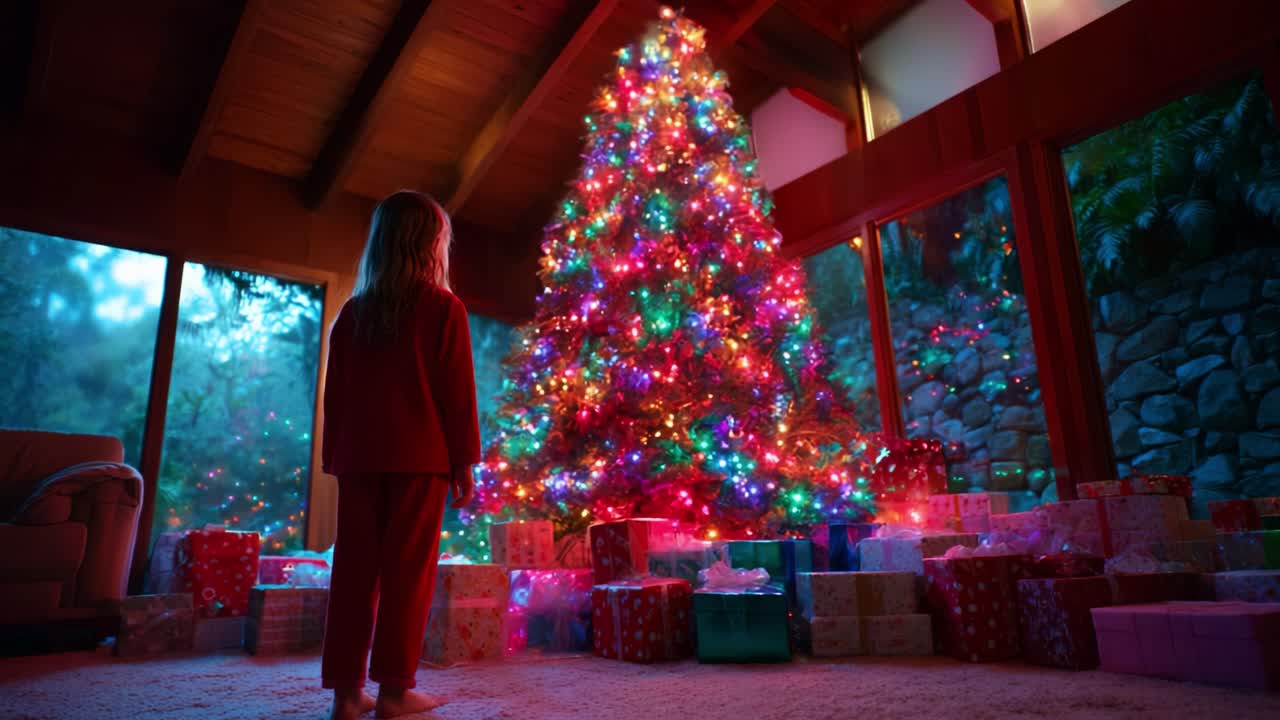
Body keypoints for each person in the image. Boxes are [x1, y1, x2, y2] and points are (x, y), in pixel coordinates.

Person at [319, 190, 480, 720]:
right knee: (409, 575)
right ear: (431, 244)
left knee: (354, 573)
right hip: (420, 459)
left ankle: (346, 695)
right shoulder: (443, 309)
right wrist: (464, 461)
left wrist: (333, 456)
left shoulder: (353, 313)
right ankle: (394, 691)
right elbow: (456, 393)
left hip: (359, 458)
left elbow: (335, 395)